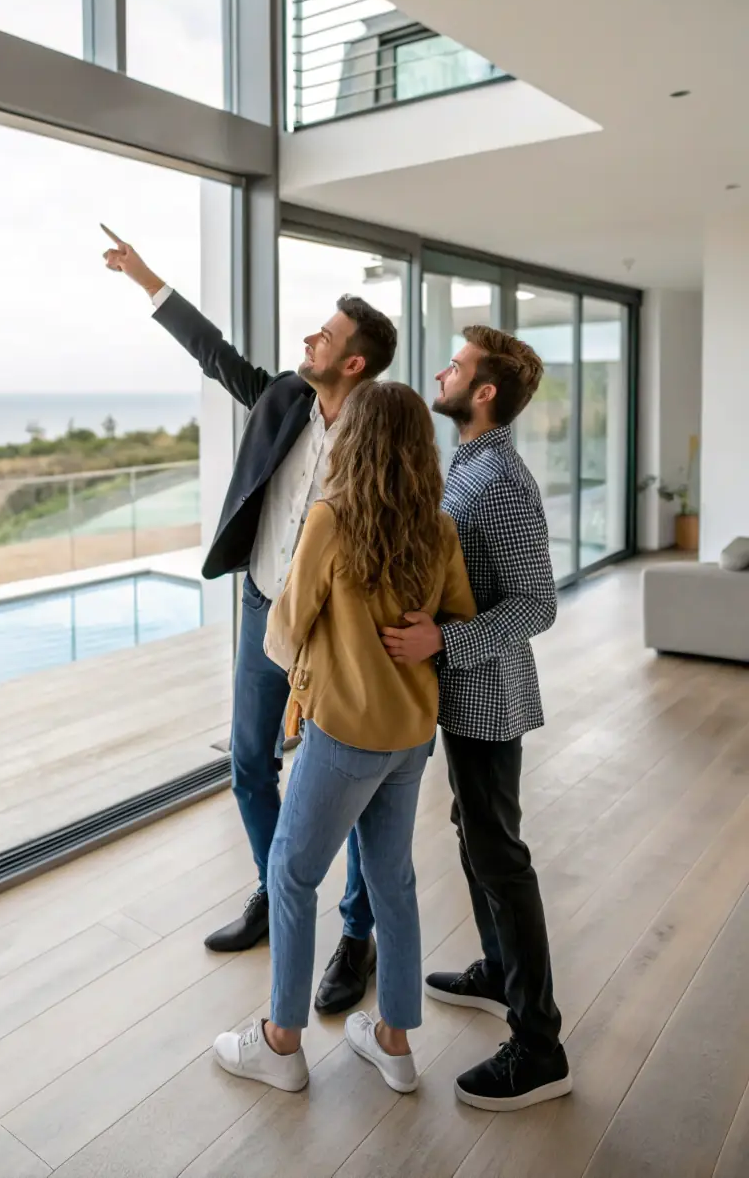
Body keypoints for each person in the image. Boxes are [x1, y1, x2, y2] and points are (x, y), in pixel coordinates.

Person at [101, 225, 397, 952]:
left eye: (324, 337)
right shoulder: (281, 399)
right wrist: (146, 277)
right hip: (264, 606)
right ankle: (276, 892)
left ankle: (356, 934)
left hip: (335, 629)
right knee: (247, 763)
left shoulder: (382, 439)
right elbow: (214, 354)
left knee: (352, 787)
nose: (310, 340)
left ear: (353, 362)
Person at [319, 324, 573, 1112]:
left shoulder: (501, 478)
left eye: (457, 365)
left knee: (501, 854)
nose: (443, 370)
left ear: (484, 391)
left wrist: (443, 638)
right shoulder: (466, 466)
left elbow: (539, 602)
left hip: (488, 698)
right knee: (473, 834)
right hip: (456, 698)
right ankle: (498, 971)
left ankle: (539, 1045)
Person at [212, 381, 476, 1093]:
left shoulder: (331, 519)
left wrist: (308, 658)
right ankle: (394, 1041)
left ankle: (280, 1042)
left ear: (356, 442)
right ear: (419, 448)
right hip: (410, 736)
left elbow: (284, 626)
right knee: (393, 880)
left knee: (291, 873)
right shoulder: (440, 527)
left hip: (344, 735)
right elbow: (453, 622)